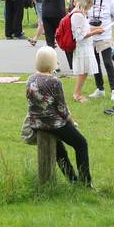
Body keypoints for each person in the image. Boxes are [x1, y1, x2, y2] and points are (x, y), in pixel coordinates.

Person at [24, 46, 90, 184]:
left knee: (60, 150)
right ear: (52, 62)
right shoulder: (54, 82)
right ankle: (85, 182)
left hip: (36, 123)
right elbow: (62, 109)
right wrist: (72, 122)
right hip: (54, 124)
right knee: (81, 143)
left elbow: (31, 102)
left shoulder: (30, 79)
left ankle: (72, 179)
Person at [88, 0, 114, 101]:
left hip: (105, 35)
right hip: (91, 36)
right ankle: (100, 88)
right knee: (94, 63)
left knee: (107, 62)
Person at [66, 0, 104, 103]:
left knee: (85, 70)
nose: (92, 5)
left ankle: (78, 93)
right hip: (82, 46)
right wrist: (95, 32)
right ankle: (77, 93)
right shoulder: (77, 15)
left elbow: (84, 29)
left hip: (86, 45)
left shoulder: (81, 14)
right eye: (91, 3)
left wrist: (95, 29)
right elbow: (79, 36)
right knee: (83, 70)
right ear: (86, 3)